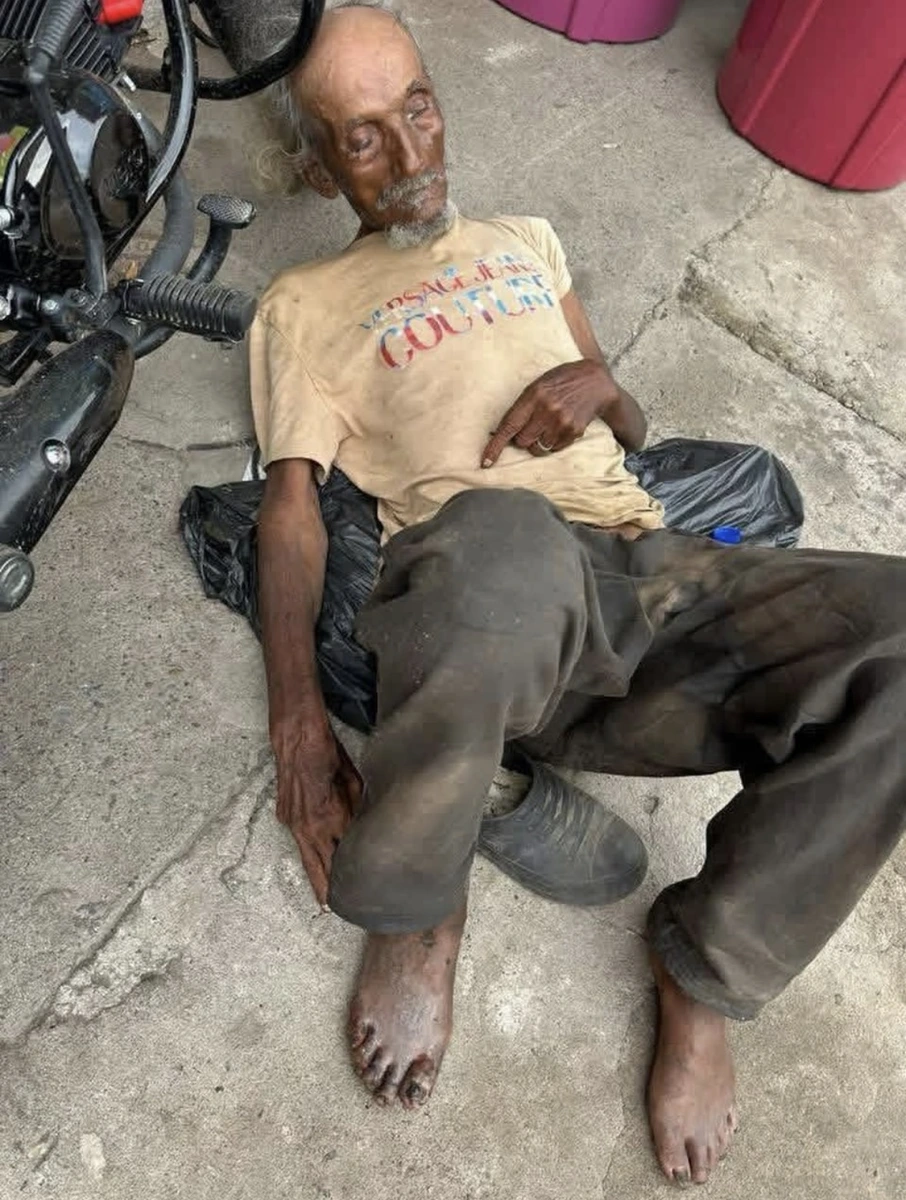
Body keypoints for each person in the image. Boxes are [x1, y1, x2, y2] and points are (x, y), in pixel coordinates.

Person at [250, 2, 906, 1185]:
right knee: (498, 533)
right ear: (315, 165)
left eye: (418, 108)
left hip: (655, 579)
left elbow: (630, 424)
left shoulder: (525, 241)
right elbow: (291, 514)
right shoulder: (301, 304)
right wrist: (299, 723)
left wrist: (601, 386)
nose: (410, 155)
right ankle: (421, 904)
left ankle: (705, 971)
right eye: (362, 137)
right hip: (490, 602)